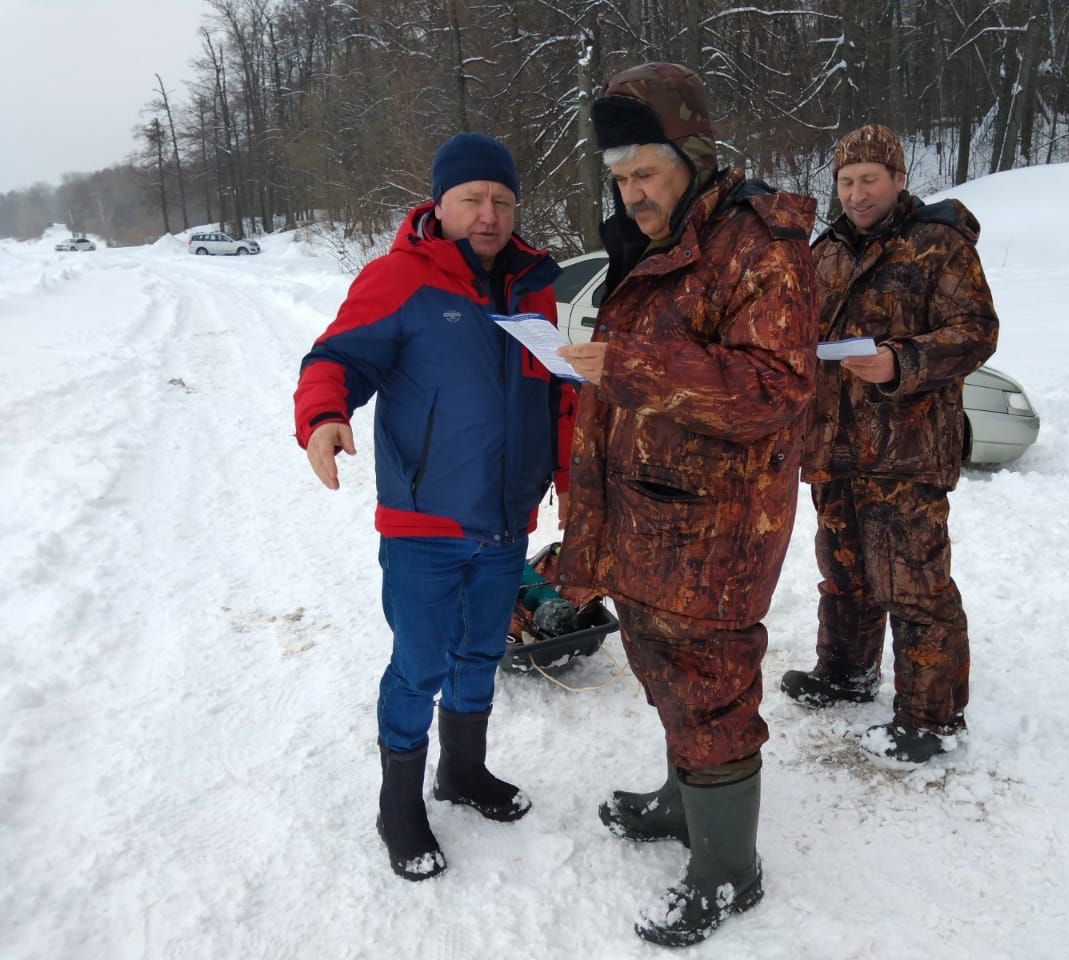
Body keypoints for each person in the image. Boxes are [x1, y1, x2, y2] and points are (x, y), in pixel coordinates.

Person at [555, 62, 817, 947]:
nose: (630, 195)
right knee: (662, 670)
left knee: (710, 690)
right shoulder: (652, 241)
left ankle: (727, 873)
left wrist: (634, 367)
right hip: (647, 514)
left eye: (646, 175)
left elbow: (775, 386)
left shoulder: (758, 244)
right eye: (620, 178)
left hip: (716, 530)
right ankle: (683, 802)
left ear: (694, 155)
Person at [292, 132, 577, 880]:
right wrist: (324, 416)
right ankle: (399, 804)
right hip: (425, 520)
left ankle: (463, 772)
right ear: (440, 204)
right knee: (419, 664)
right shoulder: (400, 279)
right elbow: (334, 359)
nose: (488, 215)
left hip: (506, 519)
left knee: (481, 652)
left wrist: (574, 483)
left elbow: (559, 394)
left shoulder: (534, 286)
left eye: (502, 201)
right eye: (472, 200)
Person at [780, 124, 999, 766]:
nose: (856, 193)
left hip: (905, 450)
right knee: (843, 572)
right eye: (846, 182)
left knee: (914, 584)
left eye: (868, 179)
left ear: (898, 179)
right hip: (835, 448)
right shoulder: (824, 253)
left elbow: (977, 330)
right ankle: (845, 673)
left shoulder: (937, 244)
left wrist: (903, 360)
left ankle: (931, 718)